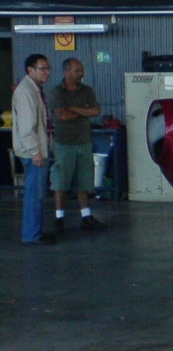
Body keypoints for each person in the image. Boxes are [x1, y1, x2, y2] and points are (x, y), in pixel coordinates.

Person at [50, 57, 106, 232]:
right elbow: (61, 116)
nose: (81, 73)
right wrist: (83, 111)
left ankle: (86, 216)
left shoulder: (87, 90)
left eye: (81, 70)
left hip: (84, 141)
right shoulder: (57, 92)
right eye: (77, 70)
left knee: (85, 180)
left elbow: (95, 111)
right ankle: (59, 217)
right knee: (62, 180)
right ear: (66, 72)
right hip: (64, 142)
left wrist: (73, 108)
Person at [12, 54, 56, 244]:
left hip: (38, 150)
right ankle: (31, 235)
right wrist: (35, 151)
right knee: (33, 195)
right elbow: (27, 126)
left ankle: (34, 232)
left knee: (37, 194)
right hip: (33, 153)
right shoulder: (27, 92)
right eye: (43, 68)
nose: (47, 72)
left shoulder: (35, 90)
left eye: (48, 68)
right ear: (30, 70)